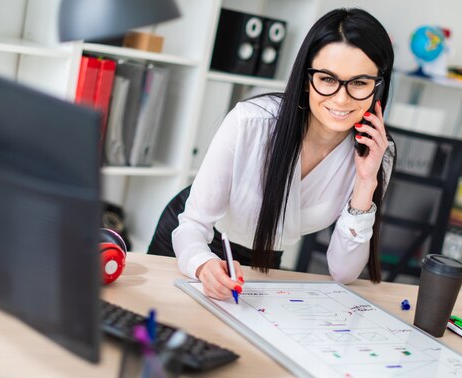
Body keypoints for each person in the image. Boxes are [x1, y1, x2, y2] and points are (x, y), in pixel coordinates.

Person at [149, 8, 395, 300]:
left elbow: (343, 272)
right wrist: (202, 265)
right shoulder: (251, 123)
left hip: (265, 261)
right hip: (194, 243)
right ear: (306, 79)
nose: (341, 99)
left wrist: (366, 182)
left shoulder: (376, 153)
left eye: (359, 83)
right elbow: (192, 224)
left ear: (377, 86)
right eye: (327, 79)